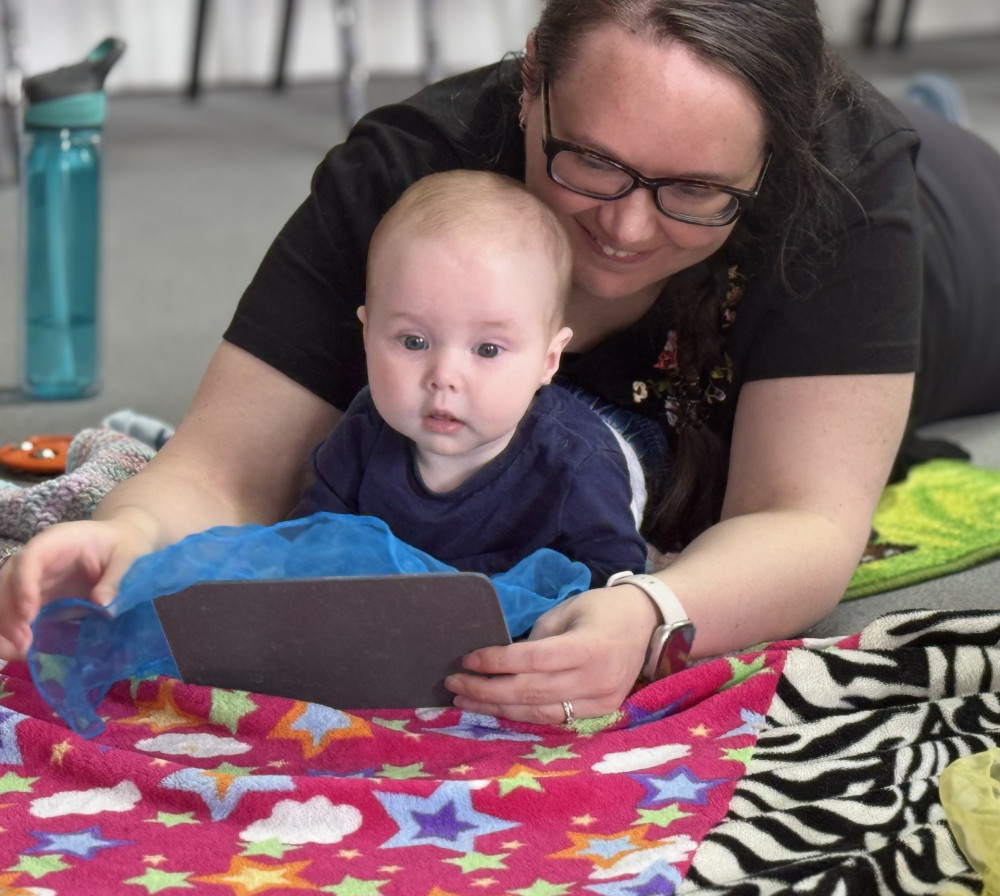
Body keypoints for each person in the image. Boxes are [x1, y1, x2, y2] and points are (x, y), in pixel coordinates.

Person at [2, 0, 999, 726]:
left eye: (694, 189)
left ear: (769, 164)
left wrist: (653, 609)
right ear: (529, 82)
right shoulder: (405, 175)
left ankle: (936, 112)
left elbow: (805, 518)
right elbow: (223, 466)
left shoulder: (844, 182)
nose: (622, 226)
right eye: (592, 160)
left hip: (965, 245)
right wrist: (124, 532)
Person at [290, 169, 648, 588]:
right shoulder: (364, 431)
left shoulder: (576, 463)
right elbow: (313, 543)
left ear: (548, 359)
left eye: (487, 350)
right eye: (413, 341)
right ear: (367, 334)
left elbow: (618, 581)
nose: (443, 378)